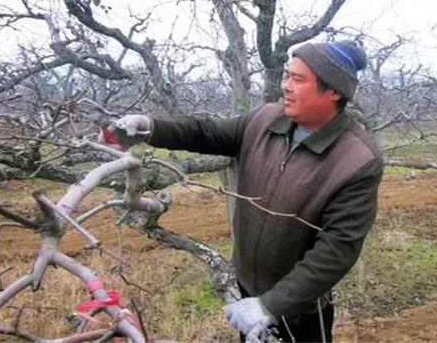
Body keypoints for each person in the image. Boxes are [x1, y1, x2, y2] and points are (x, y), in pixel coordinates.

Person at [114, 40, 383, 342]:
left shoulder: (357, 160)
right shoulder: (265, 119)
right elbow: (206, 131)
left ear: (333, 91)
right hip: (247, 292)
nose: (286, 87)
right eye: (287, 76)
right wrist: (151, 127)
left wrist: (270, 305)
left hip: (300, 311)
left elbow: (337, 250)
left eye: (298, 79)